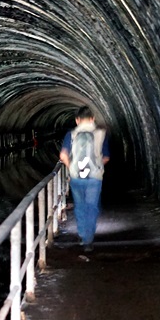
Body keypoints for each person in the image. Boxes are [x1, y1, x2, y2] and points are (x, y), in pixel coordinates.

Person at [59, 106, 110, 252]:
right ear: (93, 118)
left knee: (80, 206)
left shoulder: (72, 134)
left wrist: (72, 168)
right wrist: (97, 165)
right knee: (92, 206)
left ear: (77, 120)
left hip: (76, 178)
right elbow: (106, 157)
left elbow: (63, 156)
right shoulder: (101, 133)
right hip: (94, 177)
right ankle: (89, 239)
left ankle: (82, 235)